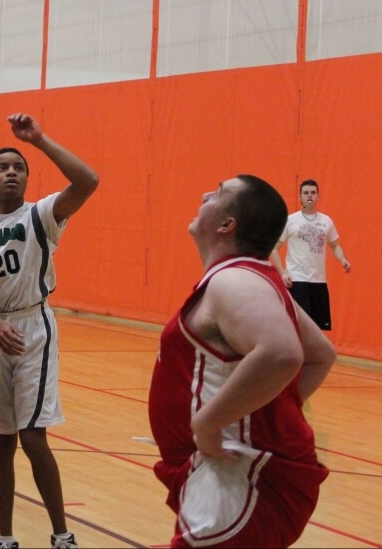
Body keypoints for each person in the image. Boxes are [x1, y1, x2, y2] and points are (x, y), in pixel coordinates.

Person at [148, 175, 335, 547]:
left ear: (226, 225)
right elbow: (320, 355)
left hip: (238, 477)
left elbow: (283, 354)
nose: (203, 194)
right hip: (236, 470)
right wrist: (261, 413)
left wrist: (208, 424)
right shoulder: (253, 277)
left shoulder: (233, 282)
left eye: (216, 193)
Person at [0, 113, 99, 549]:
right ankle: (6, 538)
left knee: (33, 436)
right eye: (2, 167)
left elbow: (88, 181)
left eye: (18, 167)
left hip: (33, 326)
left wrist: (39, 139)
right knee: (2, 441)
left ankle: (62, 534)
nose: (10, 173)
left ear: (26, 177)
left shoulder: (41, 214)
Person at [268, 179, 351, 331]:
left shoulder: (326, 221)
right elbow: (273, 248)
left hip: (319, 281)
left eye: (313, 192)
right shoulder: (291, 221)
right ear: (300, 197)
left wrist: (342, 259)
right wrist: (283, 272)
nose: (309, 196)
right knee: (300, 327)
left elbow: (334, 245)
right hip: (297, 280)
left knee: (317, 329)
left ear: (318, 196)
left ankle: (311, 355)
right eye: (306, 193)